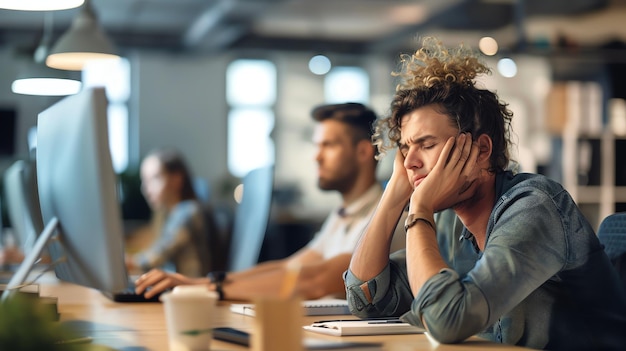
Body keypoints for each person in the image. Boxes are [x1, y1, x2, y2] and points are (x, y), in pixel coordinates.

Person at [344, 37, 626, 350]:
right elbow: (368, 299)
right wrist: (395, 194)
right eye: (405, 149)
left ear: (481, 150)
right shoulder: (452, 224)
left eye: (426, 145)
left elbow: (446, 322)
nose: (410, 162)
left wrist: (419, 208)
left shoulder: (535, 208)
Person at [133, 102, 406, 301]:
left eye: (328, 145)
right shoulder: (342, 214)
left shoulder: (385, 216)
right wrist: (201, 282)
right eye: (316, 145)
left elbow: (316, 280)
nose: (316, 156)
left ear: (362, 151)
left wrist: (208, 290)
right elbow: (289, 266)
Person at [126, 147, 215, 277]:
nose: (146, 189)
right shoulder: (169, 214)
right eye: (144, 181)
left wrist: (126, 261)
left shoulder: (188, 212)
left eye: (154, 179)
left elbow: (154, 258)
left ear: (176, 179)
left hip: (190, 290)